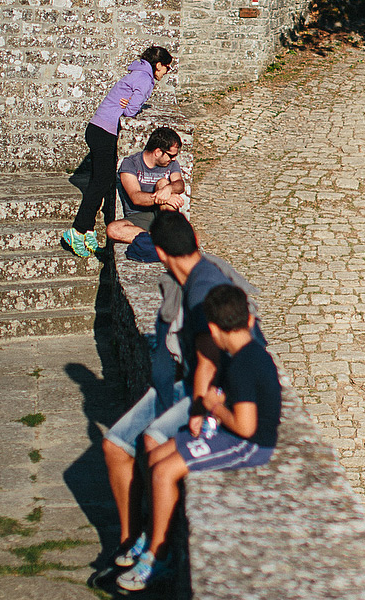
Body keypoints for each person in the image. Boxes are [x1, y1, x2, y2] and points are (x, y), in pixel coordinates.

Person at [100, 210, 262, 574]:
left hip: (202, 390)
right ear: (197, 241)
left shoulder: (203, 288)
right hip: (180, 382)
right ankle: (132, 540)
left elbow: (209, 358)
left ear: (160, 252)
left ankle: (158, 550)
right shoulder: (191, 274)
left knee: (153, 439)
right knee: (115, 445)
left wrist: (200, 410)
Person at [117, 283, 281, 591]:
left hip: (249, 445)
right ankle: (154, 532)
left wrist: (214, 407)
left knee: (165, 472)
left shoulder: (243, 364)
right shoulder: (243, 352)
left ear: (214, 331)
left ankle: (158, 555)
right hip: (233, 433)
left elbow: (246, 427)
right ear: (248, 321)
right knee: (155, 456)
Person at [63, 45, 173, 259]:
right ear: (158, 65)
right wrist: (132, 106)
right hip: (104, 132)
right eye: (167, 67)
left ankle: (88, 231)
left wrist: (129, 104)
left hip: (98, 129)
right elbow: (131, 110)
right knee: (101, 183)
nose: (166, 72)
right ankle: (76, 230)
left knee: (101, 183)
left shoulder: (138, 73)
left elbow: (128, 104)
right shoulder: (143, 79)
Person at [105, 127, 186, 246]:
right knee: (113, 230)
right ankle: (158, 239)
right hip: (138, 217)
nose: (174, 158)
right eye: (170, 155)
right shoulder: (131, 164)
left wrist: (168, 189)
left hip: (163, 213)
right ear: (158, 152)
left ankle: (167, 232)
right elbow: (136, 197)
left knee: (163, 183)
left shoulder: (172, 163)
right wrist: (165, 197)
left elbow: (179, 184)